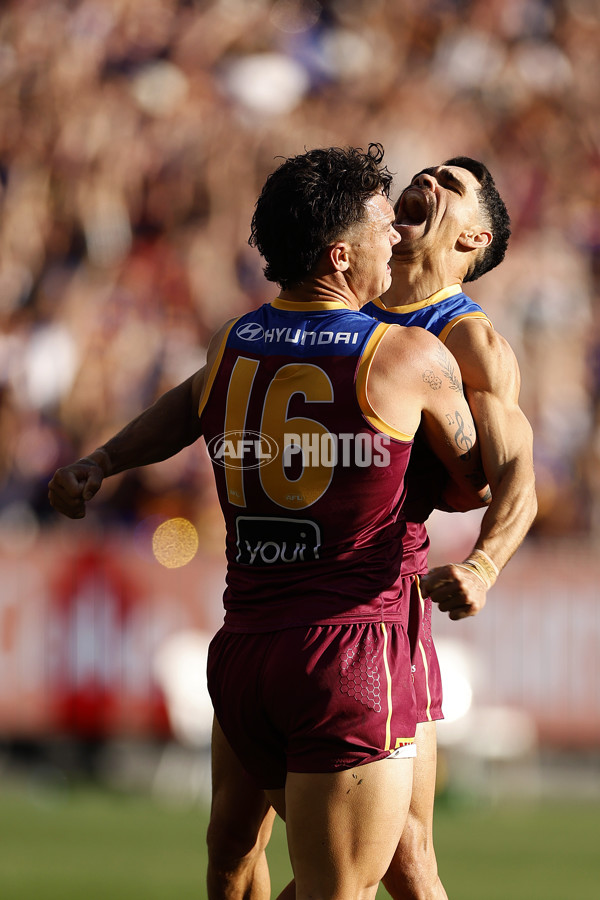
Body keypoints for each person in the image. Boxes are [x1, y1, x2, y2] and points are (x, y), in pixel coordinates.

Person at [48, 143, 490, 900]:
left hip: (246, 648)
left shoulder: (235, 343)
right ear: (341, 255)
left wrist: (103, 459)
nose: (394, 235)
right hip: (348, 651)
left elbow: (189, 406)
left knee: (231, 862)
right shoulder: (405, 355)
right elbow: (479, 480)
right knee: (342, 886)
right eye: (381, 226)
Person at [204, 158, 537, 900]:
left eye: (452, 185)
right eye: (429, 172)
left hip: (371, 612)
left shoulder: (468, 342)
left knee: (399, 858)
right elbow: (206, 390)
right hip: (269, 603)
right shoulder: (341, 302)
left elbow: (514, 474)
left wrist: (483, 566)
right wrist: (108, 457)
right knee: (235, 846)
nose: (429, 179)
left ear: (474, 238)